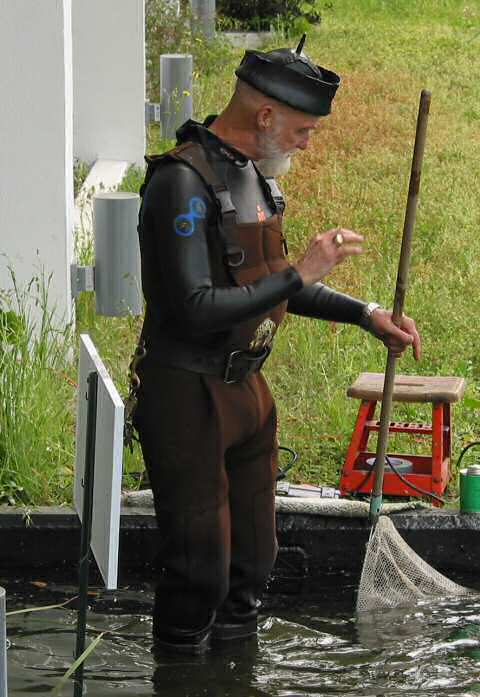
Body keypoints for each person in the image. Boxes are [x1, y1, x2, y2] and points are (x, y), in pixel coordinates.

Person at [132, 37, 421, 654]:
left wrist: (365, 314)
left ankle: (237, 676)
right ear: (265, 115)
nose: (307, 142)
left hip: (246, 391)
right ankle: (180, 679)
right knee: (197, 571)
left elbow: (269, 288)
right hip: (187, 392)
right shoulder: (181, 184)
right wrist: (301, 273)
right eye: (302, 128)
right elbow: (195, 307)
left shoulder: (254, 178)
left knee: (251, 568)